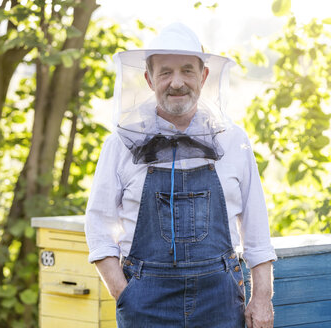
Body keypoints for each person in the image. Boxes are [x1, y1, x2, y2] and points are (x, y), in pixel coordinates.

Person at [85, 22, 277, 328]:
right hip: (146, 304)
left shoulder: (232, 140)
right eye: (165, 72)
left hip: (221, 302)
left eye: (187, 70)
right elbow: (98, 225)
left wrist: (262, 298)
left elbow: (256, 230)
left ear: (203, 76)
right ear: (149, 79)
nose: (177, 83)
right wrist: (124, 294)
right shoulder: (121, 143)